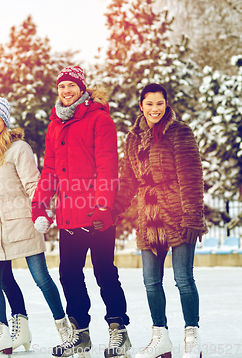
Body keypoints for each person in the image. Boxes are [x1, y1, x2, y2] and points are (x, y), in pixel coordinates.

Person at [0, 98, 72, 357]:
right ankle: (1, 335)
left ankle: (65, 329)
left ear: (5, 122)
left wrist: (43, 212)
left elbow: (33, 185)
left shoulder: (19, 148)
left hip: (23, 223)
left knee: (41, 279)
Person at [31, 65, 132, 358]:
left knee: (104, 272)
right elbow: (49, 169)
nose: (66, 91)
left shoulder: (99, 119)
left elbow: (108, 165)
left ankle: (118, 331)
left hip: (97, 215)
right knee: (69, 274)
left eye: (71, 86)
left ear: (81, 88)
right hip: (69, 214)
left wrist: (103, 205)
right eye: (62, 87)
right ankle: (80, 334)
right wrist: (40, 204)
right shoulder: (55, 125)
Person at [112, 83, 205, 358]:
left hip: (177, 213)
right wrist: (112, 210)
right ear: (141, 105)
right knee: (151, 281)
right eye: (149, 104)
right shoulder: (132, 138)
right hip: (148, 215)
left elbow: (191, 177)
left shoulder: (180, 132)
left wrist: (192, 217)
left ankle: (192, 338)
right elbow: (128, 181)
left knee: (183, 279)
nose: (155, 109)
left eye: (160, 104)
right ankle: (160, 337)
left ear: (167, 105)